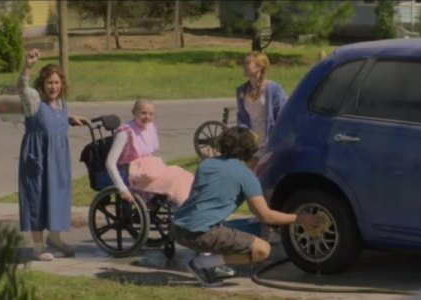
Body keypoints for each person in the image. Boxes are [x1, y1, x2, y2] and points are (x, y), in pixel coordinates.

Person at [172, 127, 323, 287]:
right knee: (262, 249)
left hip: (178, 228)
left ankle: (209, 261)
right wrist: (302, 219)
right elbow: (266, 216)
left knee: (225, 227)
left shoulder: (207, 164)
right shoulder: (246, 176)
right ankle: (202, 264)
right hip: (200, 234)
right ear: (250, 150)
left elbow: (223, 180)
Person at [17, 49, 89, 261]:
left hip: (58, 159)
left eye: (57, 83)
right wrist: (28, 65)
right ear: (42, 84)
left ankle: (55, 238)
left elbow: (55, 119)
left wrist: (69, 118)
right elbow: (22, 87)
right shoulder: (34, 101)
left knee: (59, 194)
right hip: (37, 157)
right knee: (36, 197)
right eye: (49, 83)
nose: (54, 87)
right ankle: (38, 246)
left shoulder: (62, 104)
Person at [105, 99, 193, 207]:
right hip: (132, 173)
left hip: (149, 171)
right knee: (173, 183)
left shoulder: (150, 127)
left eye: (151, 114)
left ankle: (190, 204)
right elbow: (110, 162)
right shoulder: (125, 132)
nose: (147, 117)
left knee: (182, 174)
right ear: (133, 112)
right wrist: (122, 188)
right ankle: (183, 207)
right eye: (143, 113)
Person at [235, 51, 288, 169]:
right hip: (252, 145)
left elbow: (283, 116)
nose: (244, 66)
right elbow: (242, 118)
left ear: (260, 67)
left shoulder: (274, 89)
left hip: (270, 144)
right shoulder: (241, 91)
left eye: (248, 63)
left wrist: (278, 141)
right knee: (250, 176)